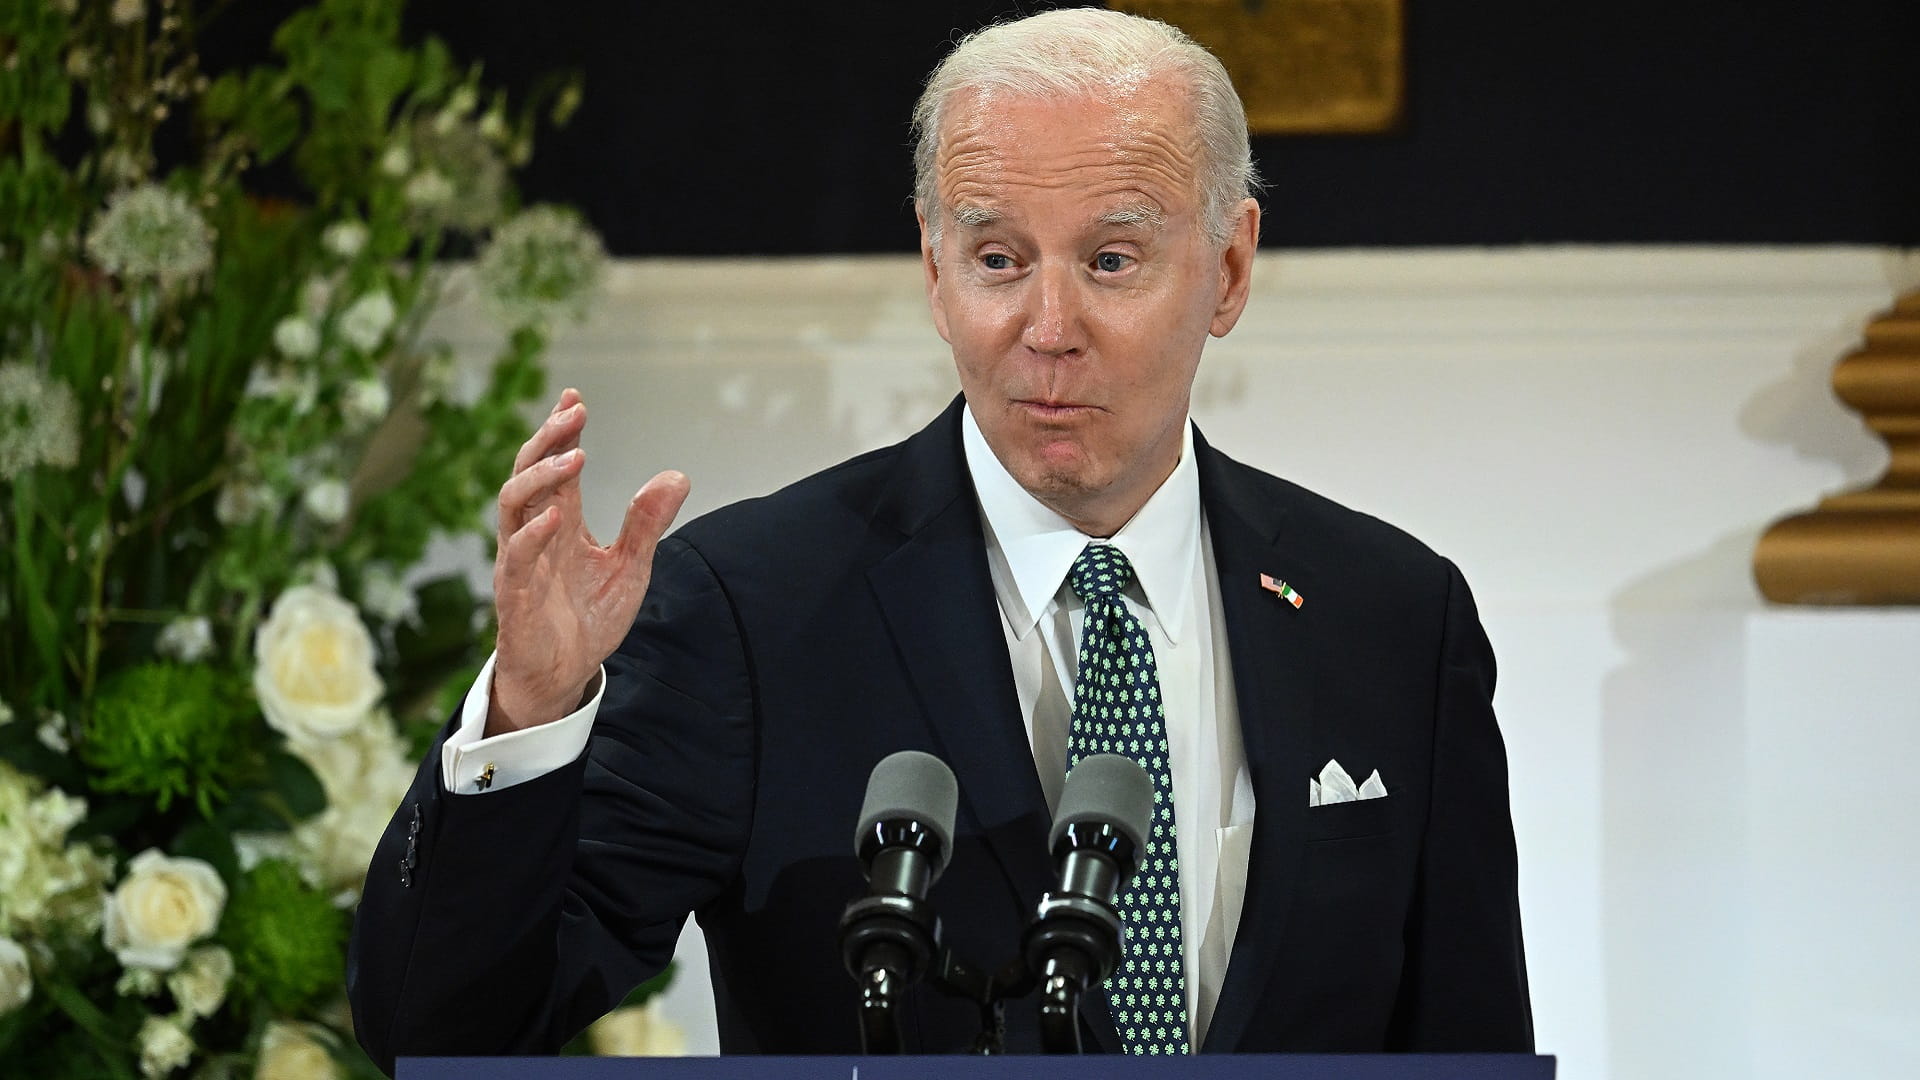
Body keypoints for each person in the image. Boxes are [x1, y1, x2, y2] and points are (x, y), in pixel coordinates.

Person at [348, 8, 1531, 1071]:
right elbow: (444, 1034)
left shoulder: (1393, 619)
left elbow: (1470, 1049)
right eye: (998, 260)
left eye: (1112, 260)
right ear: (932, 265)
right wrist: (528, 721)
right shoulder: (753, 613)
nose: (1047, 329)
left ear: (1227, 269)